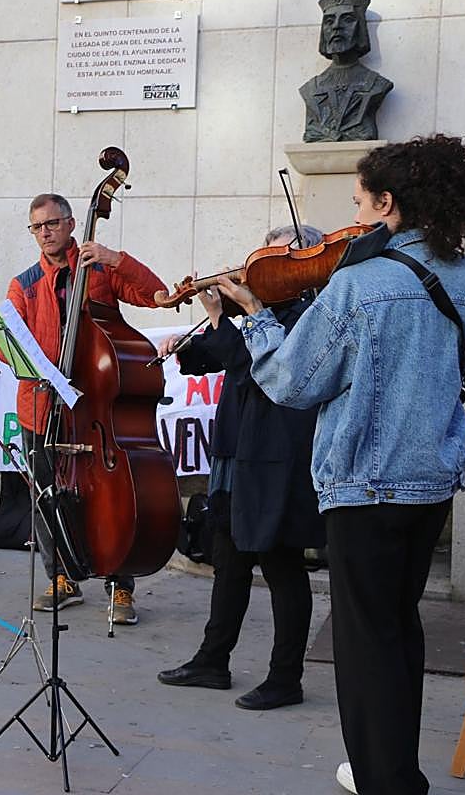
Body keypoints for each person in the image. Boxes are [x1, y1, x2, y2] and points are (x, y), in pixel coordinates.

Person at [217, 135, 465, 795]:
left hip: (365, 481)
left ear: (389, 202)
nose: (354, 219)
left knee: (364, 645)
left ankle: (383, 778)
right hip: (431, 480)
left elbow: (292, 382)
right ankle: (393, 768)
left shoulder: (359, 284)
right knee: (398, 626)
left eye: (361, 204)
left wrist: (255, 317)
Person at [154, 225, 325, 711]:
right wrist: (205, 324)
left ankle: (285, 677)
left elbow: (266, 363)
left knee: (281, 563)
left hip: (277, 453)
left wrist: (233, 314)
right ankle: (213, 660)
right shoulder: (263, 310)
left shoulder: (312, 312)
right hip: (237, 446)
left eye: (279, 260)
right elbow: (222, 357)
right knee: (227, 557)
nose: (266, 271)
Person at [5, 192, 168, 623]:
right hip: (44, 407)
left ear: (72, 224)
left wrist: (116, 258)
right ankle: (61, 577)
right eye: (37, 227)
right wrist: (46, 363)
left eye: (52, 224)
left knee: (115, 494)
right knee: (46, 495)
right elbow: (9, 348)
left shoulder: (97, 270)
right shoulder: (22, 285)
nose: (45, 233)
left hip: (96, 407)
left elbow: (155, 294)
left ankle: (121, 584)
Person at [299, 0, 393, 143]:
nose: (336, 26)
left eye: (347, 19)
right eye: (329, 21)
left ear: (361, 28)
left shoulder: (377, 85)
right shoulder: (310, 89)